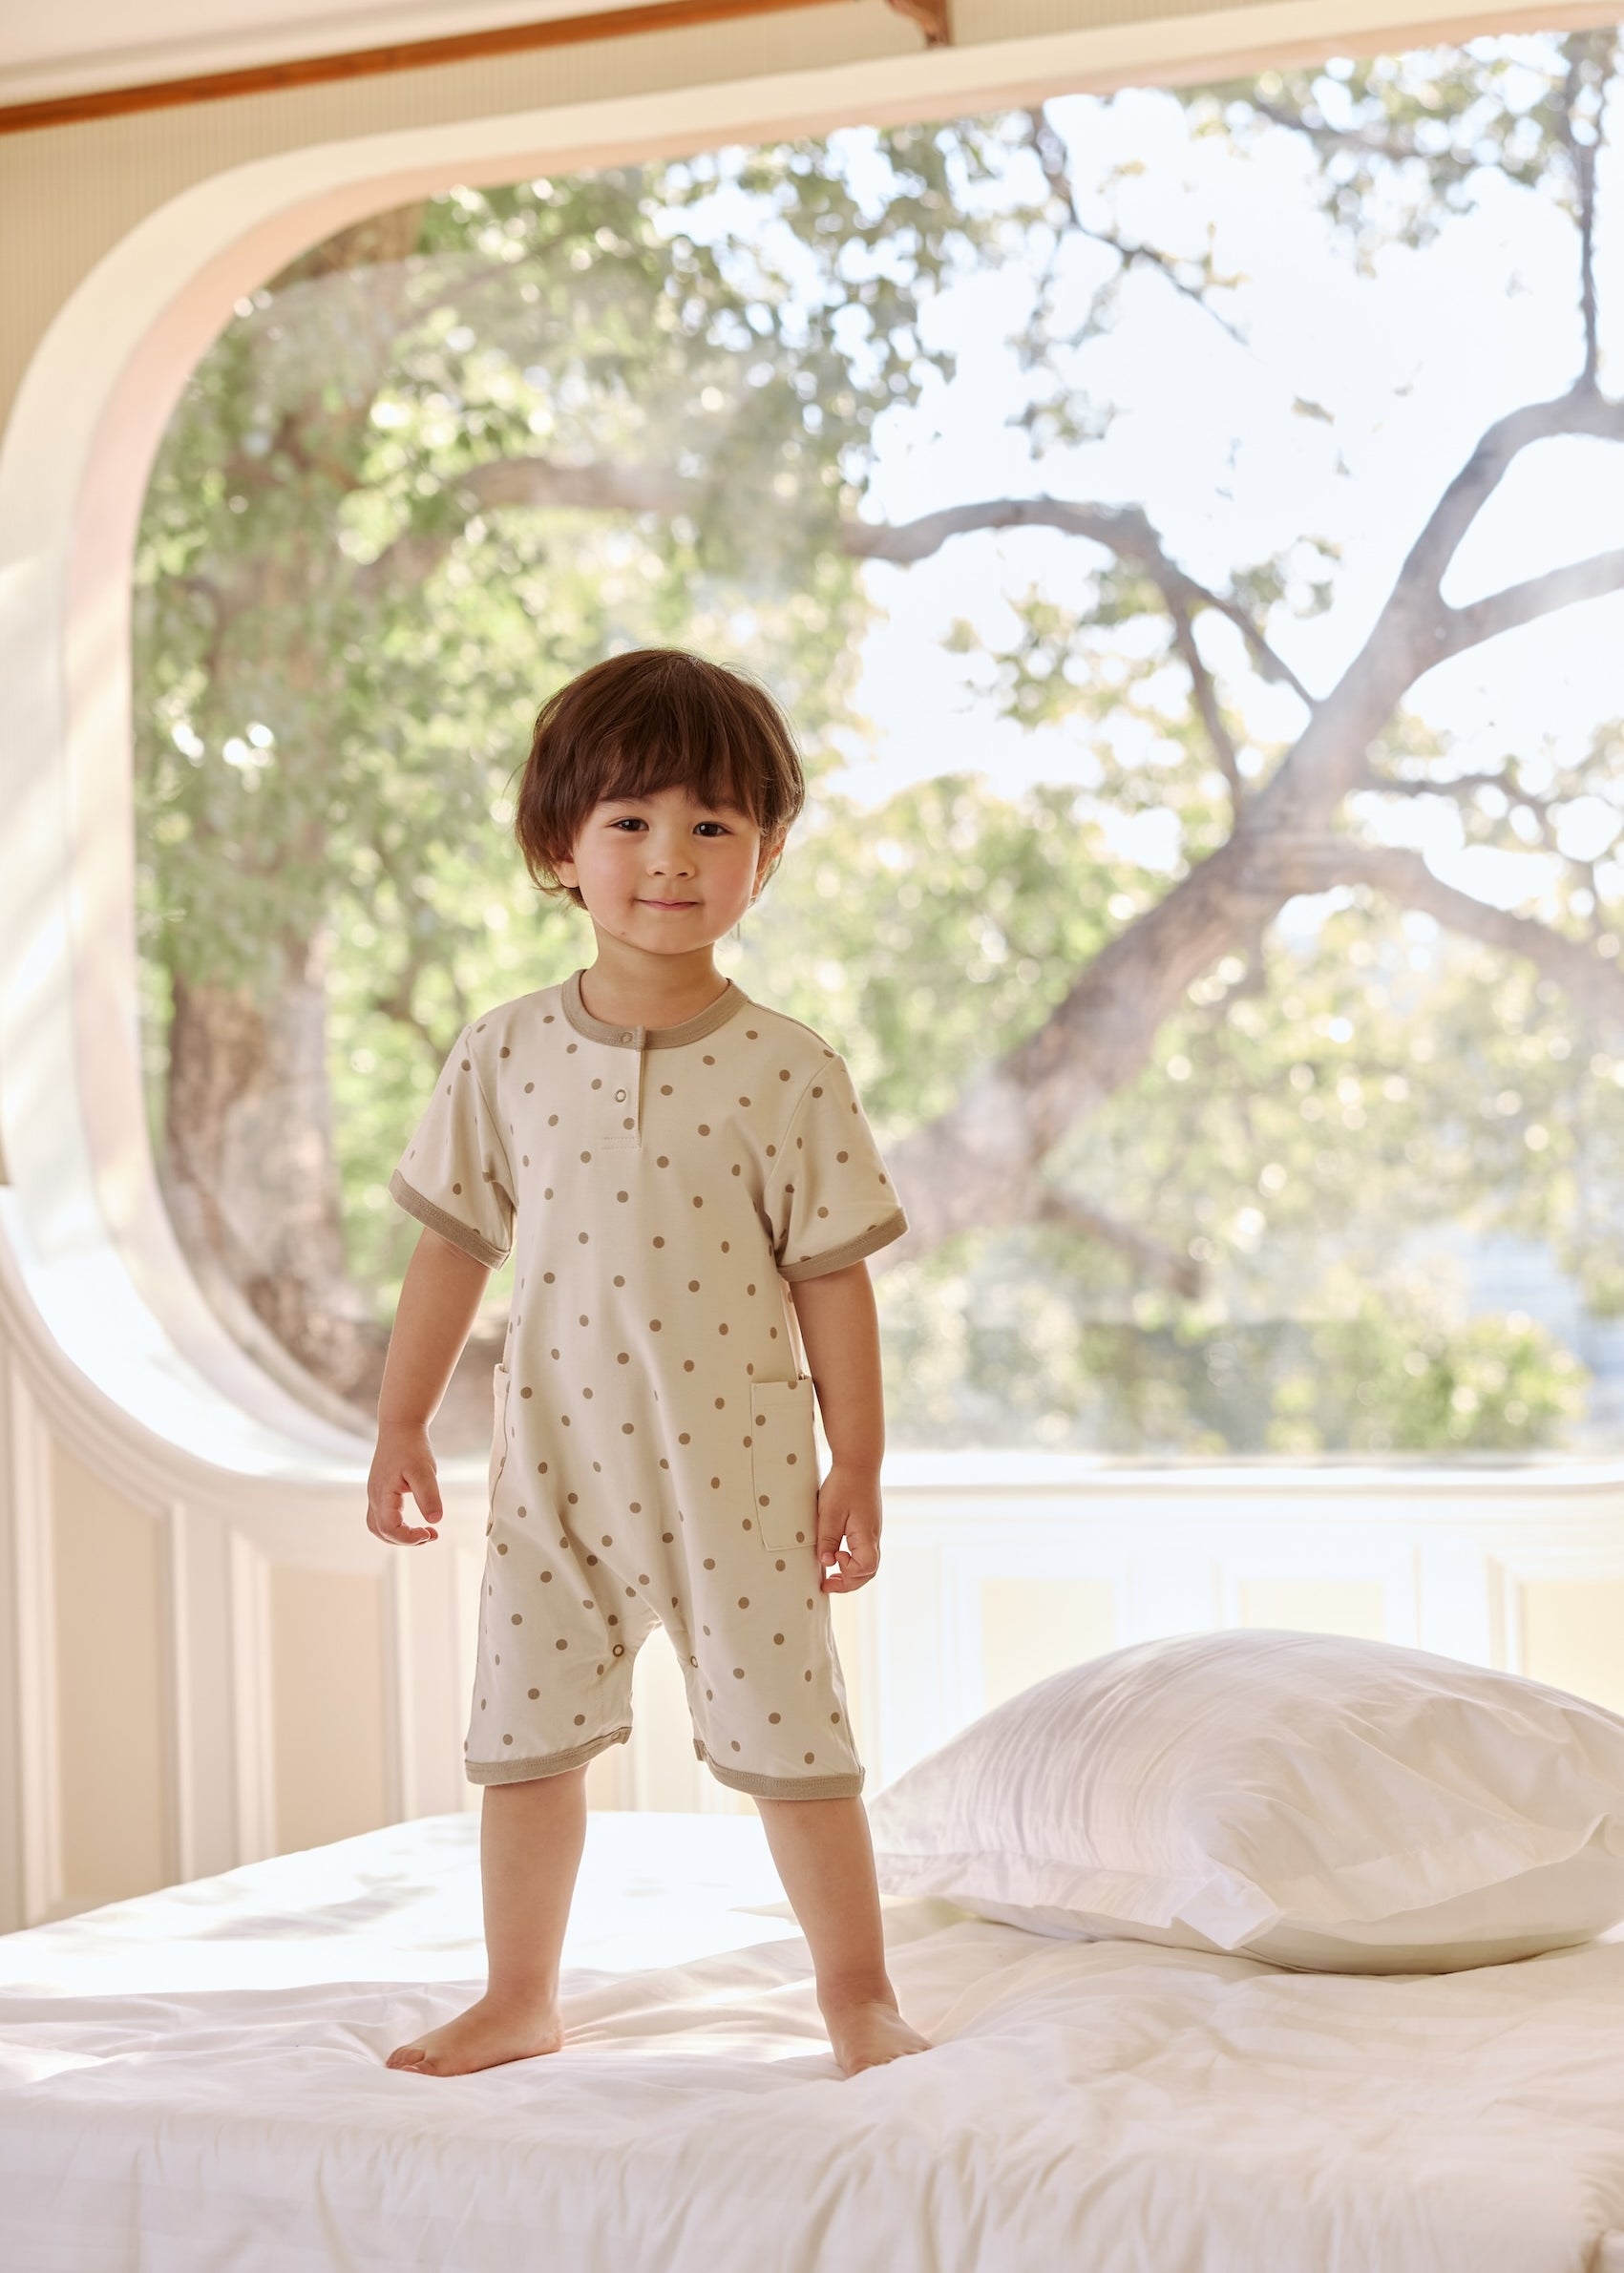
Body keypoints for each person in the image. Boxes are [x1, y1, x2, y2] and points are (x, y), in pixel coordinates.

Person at [366, 646, 932, 2079]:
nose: (671, 856)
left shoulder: (789, 1068)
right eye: (630, 820)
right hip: (553, 1470)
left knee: (797, 1744)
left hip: (738, 1474)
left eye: (711, 824)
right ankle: (517, 1995)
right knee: (525, 1746)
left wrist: (858, 1459)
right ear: (561, 846)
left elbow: (832, 1278)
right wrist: (401, 1423)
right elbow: (449, 1251)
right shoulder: (502, 1053)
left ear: (766, 855)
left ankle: (857, 1994)